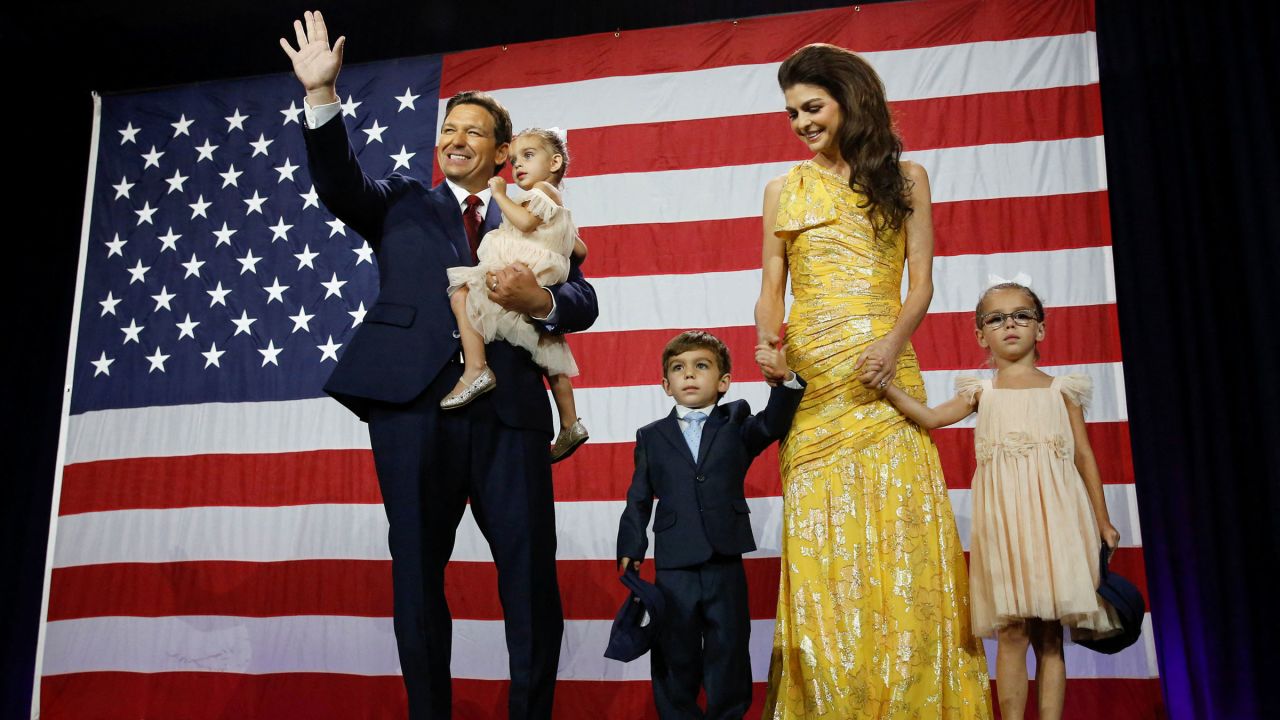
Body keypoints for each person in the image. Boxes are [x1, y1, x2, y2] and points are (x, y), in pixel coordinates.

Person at [279, 12, 599, 719]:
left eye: (472, 132)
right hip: (413, 409)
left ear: (503, 149)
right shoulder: (399, 203)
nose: (455, 141)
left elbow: (582, 299)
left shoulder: (537, 216)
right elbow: (338, 184)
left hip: (510, 414)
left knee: (529, 585)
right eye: (448, 131)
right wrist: (321, 98)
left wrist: (541, 298)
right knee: (418, 578)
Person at [754, 43, 992, 718]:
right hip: (814, 388)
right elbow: (771, 288)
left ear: (848, 100)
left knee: (902, 536)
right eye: (792, 112)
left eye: (812, 106)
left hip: (885, 377)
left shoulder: (906, 177)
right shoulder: (782, 190)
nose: (800, 121)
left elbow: (922, 285)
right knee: (822, 544)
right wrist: (767, 344)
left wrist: (891, 348)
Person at [869, 281, 1122, 720]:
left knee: (1049, 636)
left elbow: (1084, 456)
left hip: (1057, 521)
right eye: (997, 318)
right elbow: (930, 418)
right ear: (979, 335)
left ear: (1040, 330)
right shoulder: (980, 393)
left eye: (1022, 315)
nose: (1010, 325)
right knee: (1011, 631)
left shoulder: (1063, 390)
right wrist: (886, 386)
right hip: (1005, 525)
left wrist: (1103, 521)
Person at [616, 331, 805, 720]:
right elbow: (638, 498)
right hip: (674, 564)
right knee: (675, 652)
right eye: (678, 368)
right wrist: (630, 548)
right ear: (665, 385)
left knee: (729, 649)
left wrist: (786, 380)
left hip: (724, 560)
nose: (690, 375)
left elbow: (773, 423)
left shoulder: (736, 423)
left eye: (701, 366)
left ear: (722, 382)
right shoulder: (651, 436)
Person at [443, 128, 590, 462]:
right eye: (513, 161)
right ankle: (570, 423)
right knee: (550, 352)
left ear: (554, 162)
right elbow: (579, 250)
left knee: (462, 293)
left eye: (527, 156)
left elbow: (523, 222)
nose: (516, 167)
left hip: (521, 274)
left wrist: (499, 194)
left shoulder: (538, 191)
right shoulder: (555, 203)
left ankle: (476, 368)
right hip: (539, 271)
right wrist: (560, 251)